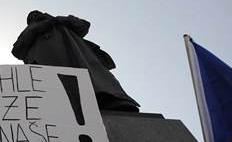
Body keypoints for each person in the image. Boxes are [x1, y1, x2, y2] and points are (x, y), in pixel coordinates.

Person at [11, 10, 139, 112]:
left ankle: (110, 100)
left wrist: (60, 20)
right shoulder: (27, 32)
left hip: (75, 52)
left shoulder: (60, 22)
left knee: (93, 77)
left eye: (36, 13)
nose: (34, 15)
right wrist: (38, 28)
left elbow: (83, 25)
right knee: (58, 86)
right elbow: (17, 50)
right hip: (44, 58)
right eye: (31, 16)